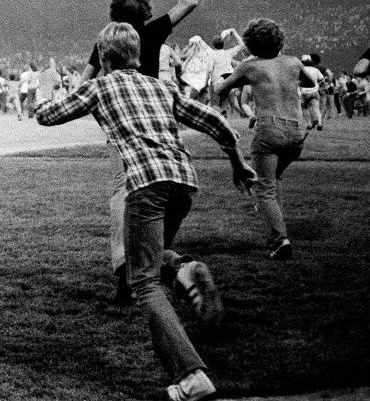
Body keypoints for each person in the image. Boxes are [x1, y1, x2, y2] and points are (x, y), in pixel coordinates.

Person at [36, 22, 255, 401]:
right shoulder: (160, 86)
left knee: (143, 282)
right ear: (137, 56)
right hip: (184, 181)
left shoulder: (100, 86)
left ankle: (191, 375)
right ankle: (182, 268)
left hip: (145, 184)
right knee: (149, 260)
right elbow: (216, 121)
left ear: (103, 58)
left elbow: (47, 115)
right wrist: (238, 163)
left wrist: (45, 85)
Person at [78, 0, 201, 305]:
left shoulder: (106, 43)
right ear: (145, 14)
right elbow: (190, 0)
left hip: (122, 123)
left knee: (124, 190)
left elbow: (84, 82)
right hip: (158, 118)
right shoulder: (152, 32)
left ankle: (125, 266)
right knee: (155, 190)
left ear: (114, 15)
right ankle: (156, 260)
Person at [216, 19, 317, 260]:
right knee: (274, 179)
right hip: (296, 132)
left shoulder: (250, 67)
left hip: (269, 130)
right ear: (279, 40)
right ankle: (276, 223)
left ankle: (279, 240)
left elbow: (221, 88)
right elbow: (311, 82)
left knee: (264, 188)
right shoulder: (292, 62)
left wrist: (231, 76)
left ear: (250, 44)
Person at [299, 54, 324, 131]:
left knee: (304, 108)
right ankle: (319, 123)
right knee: (316, 108)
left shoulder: (301, 70)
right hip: (315, 92)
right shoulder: (315, 70)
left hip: (304, 93)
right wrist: (318, 86)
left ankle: (309, 123)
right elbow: (322, 80)